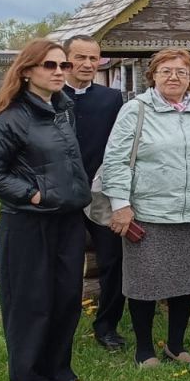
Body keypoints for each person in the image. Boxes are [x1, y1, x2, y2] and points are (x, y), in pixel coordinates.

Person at [0, 39, 91, 381]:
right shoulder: (11, 119)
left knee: (66, 298)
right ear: (27, 72)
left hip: (68, 219)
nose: (59, 72)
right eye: (50, 66)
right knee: (31, 302)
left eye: (63, 66)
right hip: (28, 224)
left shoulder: (62, 110)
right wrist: (32, 194)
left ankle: (58, 371)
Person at [101, 48, 190, 366]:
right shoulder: (136, 110)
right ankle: (144, 350)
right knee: (145, 283)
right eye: (166, 71)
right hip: (149, 214)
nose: (173, 77)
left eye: (181, 72)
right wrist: (121, 205)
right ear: (153, 75)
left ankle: (176, 345)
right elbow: (116, 160)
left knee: (185, 281)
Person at [62, 34, 126, 351]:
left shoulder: (111, 99)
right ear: (66, 59)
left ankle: (107, 325)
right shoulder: (50, 95)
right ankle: (62, 325)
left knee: (114, 260)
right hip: (62, 196)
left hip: (102, 192)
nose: (87, 64)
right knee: (67, 263)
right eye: (80, 58)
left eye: (93, 58)